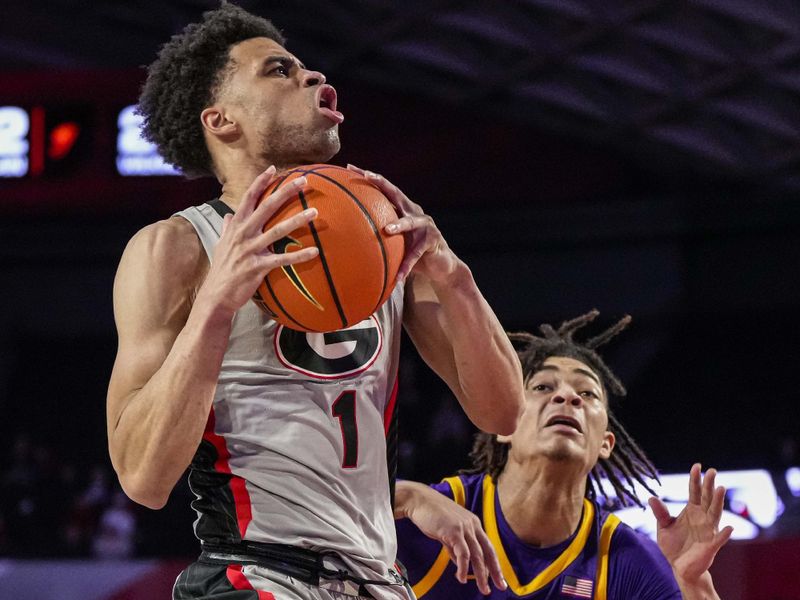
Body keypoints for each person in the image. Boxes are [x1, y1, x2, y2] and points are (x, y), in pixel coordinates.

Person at [105, 3, 523, 600]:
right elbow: (143, 476)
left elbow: (503, 413)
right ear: (222, 120)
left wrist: (455, 278)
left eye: (305, 68)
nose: (314, 77)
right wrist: (217, 307)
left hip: (377, 577)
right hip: (254, 572)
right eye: (279, 70)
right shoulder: (177, 247)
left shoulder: (383, 231)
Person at [395, 311, 733, 599]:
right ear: (505, 424)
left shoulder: (623, 559)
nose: (568, 398)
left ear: (606, 443)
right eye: (543, 387)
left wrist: (694, 584)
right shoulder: (443, 512)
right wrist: (407, 496)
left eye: (587, 393)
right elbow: (340, 511)